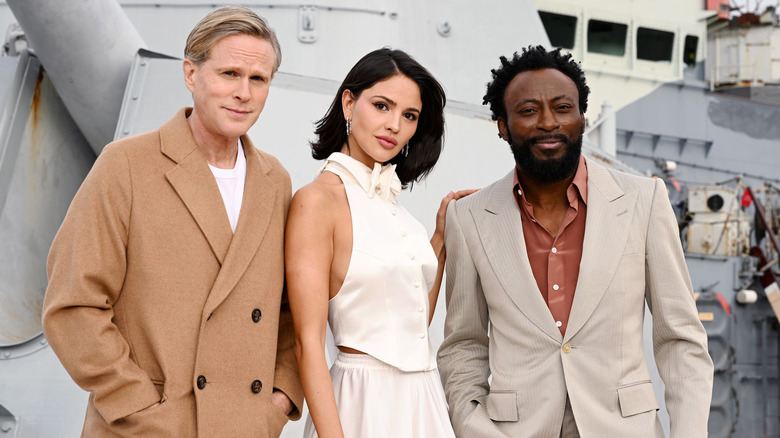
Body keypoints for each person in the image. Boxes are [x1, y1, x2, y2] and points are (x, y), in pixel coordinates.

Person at [41, 6, 302, 436]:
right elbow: (73, 304)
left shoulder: (275, 181)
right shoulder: (125, 164)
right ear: (190, 75)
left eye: (258, 79)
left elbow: (287, 311)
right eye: (229, 74)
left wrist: (279, 399)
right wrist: (139, 406)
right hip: (143, 428)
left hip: (244, 427)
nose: (244, 93)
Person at [437, 45, 714, 438]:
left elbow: (681, 340)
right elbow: (463, 346)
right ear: (502, 125)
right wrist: (473, 425)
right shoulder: (467, 218)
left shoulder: (644, 201)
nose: (548, 122)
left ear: (582, 118)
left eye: (563, 108)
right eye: (528, 111)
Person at [286, 48, 471, 438]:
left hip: (423, 398)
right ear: (349, 103)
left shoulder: (398, 209)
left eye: (409, 116)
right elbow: (307, 343)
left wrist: (439, 239)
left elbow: (413, 324)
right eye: (382, 106)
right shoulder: (317, 201)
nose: (394, 126)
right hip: (360, 402)